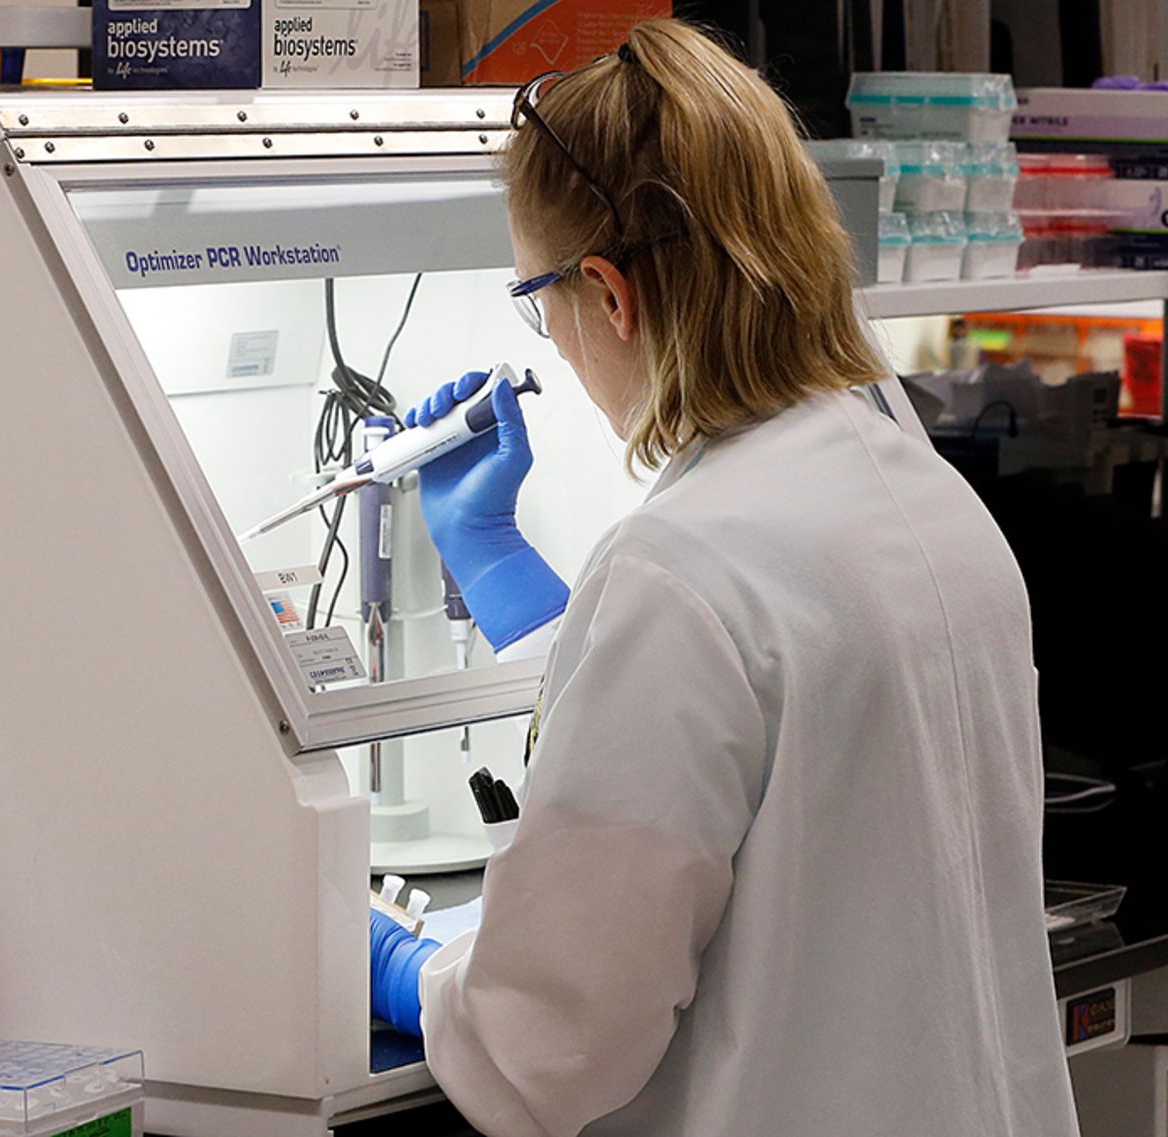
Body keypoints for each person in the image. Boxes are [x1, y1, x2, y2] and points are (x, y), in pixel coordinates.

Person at [370, 18, 1081, 1137]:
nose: (547, 337)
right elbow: (768, 751)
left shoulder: (683, 566)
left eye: (535, 299)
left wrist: (411, 973)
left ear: (608, 295)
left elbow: (547, 1046)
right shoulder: (919, 495)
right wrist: (496, 565)